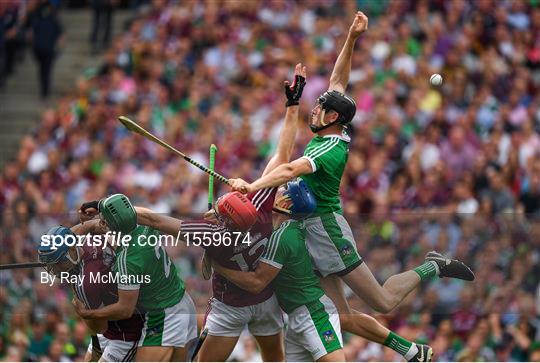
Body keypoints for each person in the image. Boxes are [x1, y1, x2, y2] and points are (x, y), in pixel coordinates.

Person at [229, 11, 474, 362]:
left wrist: (250, 186)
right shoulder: (331, 124)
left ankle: (432, 265)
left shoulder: (330, 148)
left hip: (327, 230)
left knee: (383, 301)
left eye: (318, 108)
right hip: (307, 228)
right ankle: (411, 351)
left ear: (332, 118)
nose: (312, 110)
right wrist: (352, 38)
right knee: (340, 317)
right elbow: (338, 81)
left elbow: (288, 170)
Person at [212, 180, 344, 361]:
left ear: (287, 204)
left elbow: (256, 283)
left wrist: (218, 266)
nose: (278, 191)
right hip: (297, 315)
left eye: (283, 191)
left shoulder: (282, 236)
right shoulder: (290, 229)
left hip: (312, 314)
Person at [72, 194, 198, 361]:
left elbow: (125, 309)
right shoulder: (145, 222)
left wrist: (90, 314)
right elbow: (122, 216)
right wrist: (98, 206)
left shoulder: (128, 260)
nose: (101, 223)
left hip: (162, 314)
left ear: (113, 226)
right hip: (180, 300)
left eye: (104, 220)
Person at [38, 224, 143, 362]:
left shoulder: (86, 284)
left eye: (57, 264)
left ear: (70, 251)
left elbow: (99, 327)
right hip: (112, 322)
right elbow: (80, 229)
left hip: (125, 333)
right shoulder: (88, 238)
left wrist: (82, 309)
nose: (54, 270)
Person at [29, 0, 64, 99]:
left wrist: (60, 46)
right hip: (39, 46)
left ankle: (45, 91)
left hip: (48, 47)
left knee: (46, 70)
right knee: (42, 69)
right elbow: (32, 29)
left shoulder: (52, 12)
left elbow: (60, 30)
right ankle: (44, 90)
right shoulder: (37, 11)